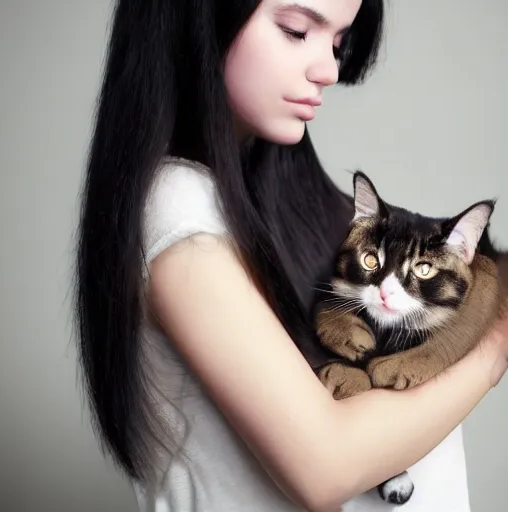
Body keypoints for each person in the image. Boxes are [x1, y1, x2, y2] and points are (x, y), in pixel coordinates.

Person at [73, 0, 508, 511]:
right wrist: (496, 343)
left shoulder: (284, 193)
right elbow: (327, 467)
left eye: (339, 44)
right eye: (296, 30)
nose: (329, 69)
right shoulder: (179, 205)